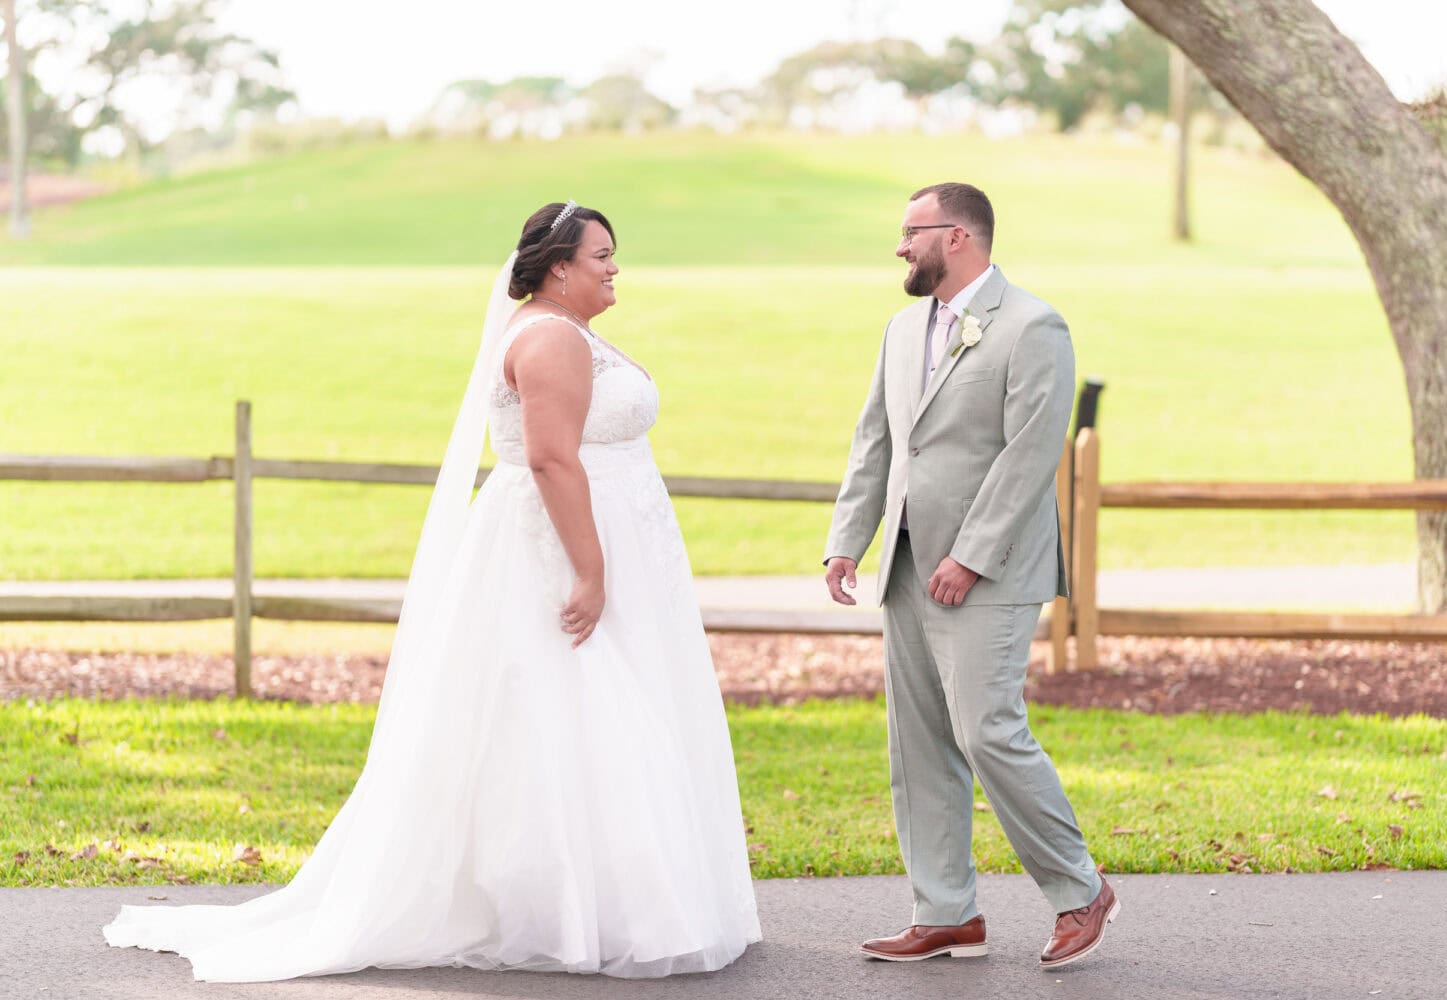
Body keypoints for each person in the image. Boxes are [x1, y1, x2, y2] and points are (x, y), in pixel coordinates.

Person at [104, 201, 762, 981]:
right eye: (602, 255)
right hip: (559, 551)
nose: (615, 267)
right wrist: (590, 569)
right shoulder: (549, 336)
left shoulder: (565, 328)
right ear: (559, 266)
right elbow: (552, 460)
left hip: (610, 538)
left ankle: (607, 902)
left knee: (607, 713)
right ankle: (579, 912)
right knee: (575, 708)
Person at [824, 182, 1119, 969]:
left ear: (956, 237)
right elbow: (879, 439)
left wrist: (970, 556)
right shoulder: (899, 328)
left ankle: (1079, 889)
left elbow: (1030, 455)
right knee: (917, 741)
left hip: (988, 570)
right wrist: (848, 540)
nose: (900, 247)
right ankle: (946, 912)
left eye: (910, 233)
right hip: (906, 566)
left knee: (986, 727)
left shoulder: (1033, 326)